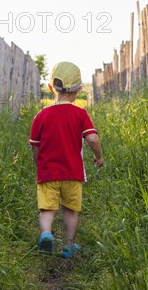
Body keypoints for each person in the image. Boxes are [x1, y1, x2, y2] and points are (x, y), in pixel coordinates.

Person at [29, 61, 104, 258]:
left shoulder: (41, 115)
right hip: (73, 172)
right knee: (71, 210)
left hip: (48, 173)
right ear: (79, 89)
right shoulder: (80, 114)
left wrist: (39, 163)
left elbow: (34, 146)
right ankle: (69, 245)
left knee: (47, 208)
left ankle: (46, 233)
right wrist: (99, 156)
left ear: (51, 88)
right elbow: (93, 138)